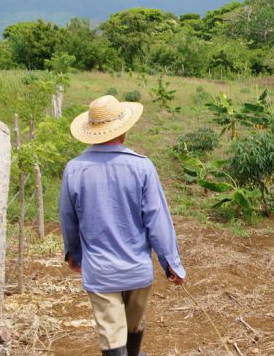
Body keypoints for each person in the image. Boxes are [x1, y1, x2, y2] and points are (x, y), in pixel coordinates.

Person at [59, 95, 186, 356]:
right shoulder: (142, 167)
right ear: (123, 129)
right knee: (133, 325)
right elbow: (157, 220)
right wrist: (170, 262)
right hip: (137, 270)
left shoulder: (74, 169)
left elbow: (68, 220)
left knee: (111, 334)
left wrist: (74, 254)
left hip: (100, 271)